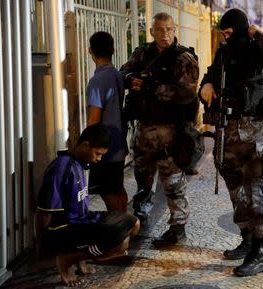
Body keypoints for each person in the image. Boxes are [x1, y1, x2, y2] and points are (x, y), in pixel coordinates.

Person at [199, 8, 263, 277]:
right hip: (229, 133)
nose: (226, 38)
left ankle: (261, 253)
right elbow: (212, 74)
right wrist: (207, 85)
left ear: (241, 29)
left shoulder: (259, 49)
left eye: (229, 33)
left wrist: (257, 34)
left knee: (256, 193)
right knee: (237, 191)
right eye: (223, 34)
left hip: (256, 133)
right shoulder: (225, 52)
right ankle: (247, 240)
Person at [120, 12, 200, 246]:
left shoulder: (184, 58)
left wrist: (153, 87)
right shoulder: (142, 54)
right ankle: (141, 216)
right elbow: (123, 73)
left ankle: (178, 228)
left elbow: (187, 93)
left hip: (171, 133)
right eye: (160, 30)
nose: (165, 34)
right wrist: (132, 78)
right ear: (152, 31)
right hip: (144, 129)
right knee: (142, 177)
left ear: (174, 30)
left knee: (173, 183)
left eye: (169, 29)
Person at [35, 124, 140, 287]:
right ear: (85, 145)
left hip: (84, 220)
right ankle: (67, 259)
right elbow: (43, 213)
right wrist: (43, 246)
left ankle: (81, 257)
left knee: (134, 223)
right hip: (66, 226)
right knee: (119, 242)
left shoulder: (80, 163)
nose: (99, 158)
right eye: (97, 153)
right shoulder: (61, 167)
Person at [86, 31, 128, 212]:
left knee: (108, 192)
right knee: (118, 189)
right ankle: (127, 225)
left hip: (104, 147)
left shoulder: (97, 80)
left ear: (90, 51)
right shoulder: (118, 76)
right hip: (119, 142)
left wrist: (87, 146)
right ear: (113, 50)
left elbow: (94, 119)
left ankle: (120, 230)